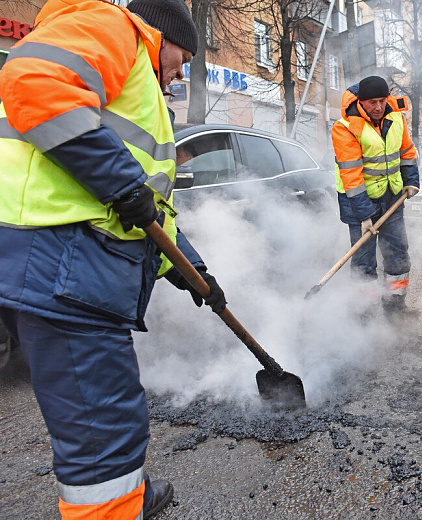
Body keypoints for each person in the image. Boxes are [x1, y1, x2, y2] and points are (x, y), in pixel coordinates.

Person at [0, 0, 227, 518]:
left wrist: (195, 274)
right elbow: (33, 81)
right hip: (64, 264)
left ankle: (125, 495)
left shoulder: (134, 89)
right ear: (163, 37)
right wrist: (120, 182)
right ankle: (114, 504)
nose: (177, 74)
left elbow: (150, 212)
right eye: (181, 60)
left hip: (46, 258)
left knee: (92, 418)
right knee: (102, 429)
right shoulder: (114, 28)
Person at [331, 76, 420, 316]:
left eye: (382, 101)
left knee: (398, 253)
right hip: (358, 203)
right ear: (361, 102)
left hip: (392, 198)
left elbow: (408, 152)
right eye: (372, 102)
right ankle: (366, 315)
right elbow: (351, 175)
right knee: (363, 261)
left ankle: (395, 307)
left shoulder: (396, 119)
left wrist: (412, 182)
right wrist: (364, 215)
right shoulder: (345, 127)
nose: (378, 107)